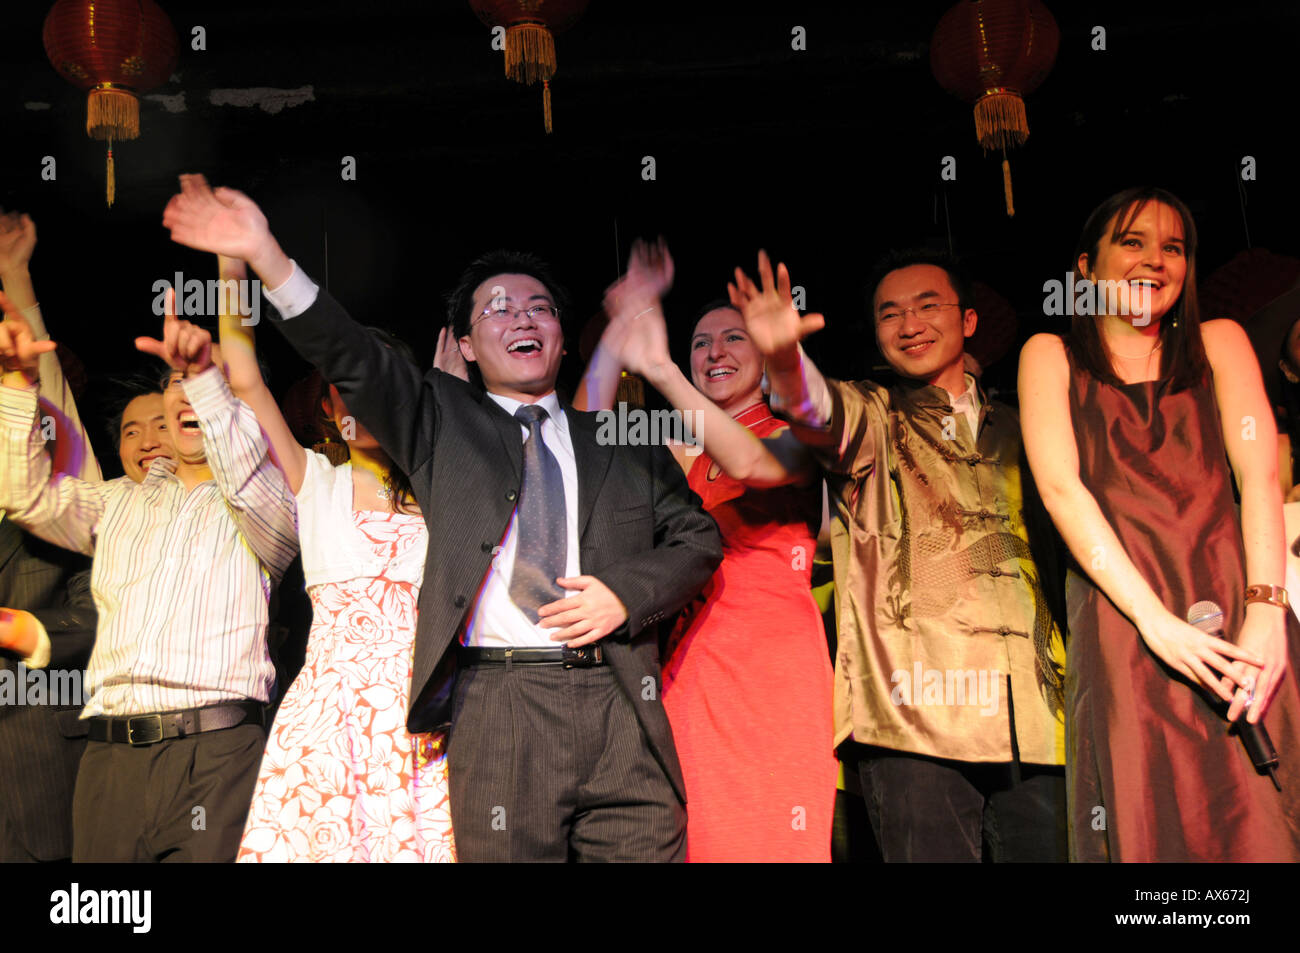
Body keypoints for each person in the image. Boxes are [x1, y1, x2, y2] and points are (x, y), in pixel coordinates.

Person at [162, 173, 722, 862]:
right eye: (498, 309)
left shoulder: (616, 440)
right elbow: (351, 354)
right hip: (500, 707)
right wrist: (264, 254)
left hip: (618, 704)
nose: (522, 318)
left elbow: (699, 536)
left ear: (562, 336)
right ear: (461, 342)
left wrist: (625, 592)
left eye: (540, 307)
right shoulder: (440, 426)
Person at [734, 249, 1067, 862]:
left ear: (968, 321)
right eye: (891, 314)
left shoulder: (1029, 425)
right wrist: (783, 357)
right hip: (915, 716)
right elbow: (817, 410)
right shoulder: (873, 414)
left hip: (1039, 719)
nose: (910, 324)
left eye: (926, 306)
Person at [1019, 186, 1300, 861]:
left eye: (1172, 247)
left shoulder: (1219, 343)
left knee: (1262, 818)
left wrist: (1265, 612)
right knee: (1150, 827)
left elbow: (1260, 476)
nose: (1154, 260)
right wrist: (1153, 621)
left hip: (1238, 607)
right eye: (1132, 242)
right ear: (1085, 269)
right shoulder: (1049, 356)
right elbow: (1062, 492)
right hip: (1126, 624)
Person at [0, 288, 298, 862]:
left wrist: (207, 378)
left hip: (214, 754)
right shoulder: (116, 502)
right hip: (110, 757)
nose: (183, 392)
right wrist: (17, 383)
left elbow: (246, 477)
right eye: (171, 383)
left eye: (203, 384)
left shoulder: (272, 501)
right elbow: (25, 494)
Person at [574, 239, 835, 861]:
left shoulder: (798, 436)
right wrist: (622, 330)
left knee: (771, 834)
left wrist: (660, 368)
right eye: (699, 343)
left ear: (767, 353)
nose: (714, 352)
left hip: (770, 670)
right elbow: (585, 433)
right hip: (686, 669)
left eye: (733, 338)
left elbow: (747, 461)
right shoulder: (671, 457)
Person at [200, 257, 455, 862]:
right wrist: (231, 265)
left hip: (421, 723)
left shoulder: (441, 493)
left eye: (374, 385)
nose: (356, 401)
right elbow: (243, 378)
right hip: (327, 719)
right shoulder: (315, 479)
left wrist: (451, 395)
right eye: (342, 385)